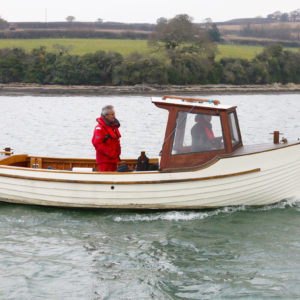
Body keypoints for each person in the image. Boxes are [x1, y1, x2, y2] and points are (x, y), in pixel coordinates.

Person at [92, 105, 121, 172]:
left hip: (114, 160)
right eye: (112, 114)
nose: (114, 116)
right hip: (104, 161)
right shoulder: (99, 128)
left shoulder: (113, 126)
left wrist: (115, 155)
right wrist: (110, 154)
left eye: (114, 114)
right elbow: (97, 144)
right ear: (106, 115)